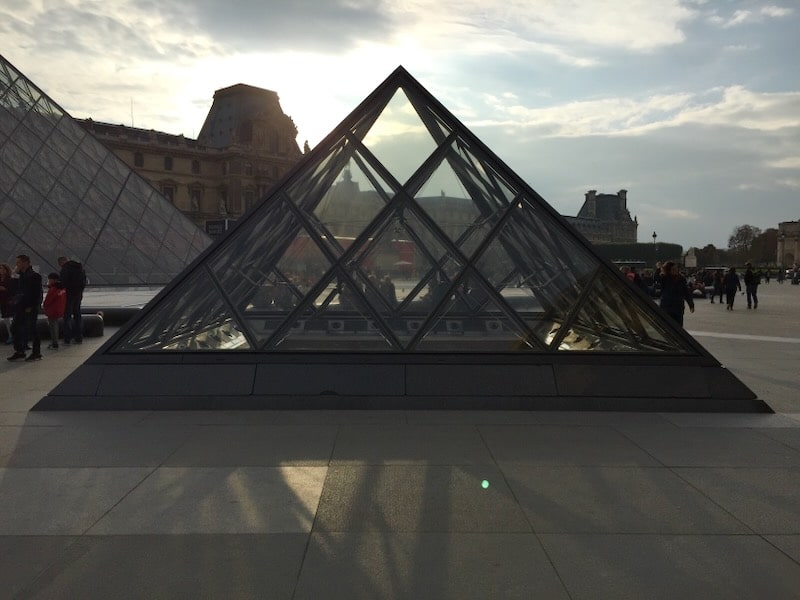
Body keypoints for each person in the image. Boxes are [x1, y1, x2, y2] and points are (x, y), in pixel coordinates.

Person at [7, 255, 43, 361]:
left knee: (32, 329)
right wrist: (14, 275)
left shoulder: (34, 276)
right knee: (14, 327)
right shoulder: (21, 276)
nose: (16, 264)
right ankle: (20, 350)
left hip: (30, 307)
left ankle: (36, 352)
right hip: (21, 306)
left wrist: (31, 306)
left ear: (25, 262)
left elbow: (36, 293)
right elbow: (16, 289)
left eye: (18, 262)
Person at [58, 255, 87, 344]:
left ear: (61, 262)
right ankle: (79, 336)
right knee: (77, 315)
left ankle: (67, 338)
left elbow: (63, 283)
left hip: (69, 295)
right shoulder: (80, 268)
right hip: (78, 294)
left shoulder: (65, 269)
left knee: (67, 316)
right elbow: (84, 281)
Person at [657, 261, 694, 327]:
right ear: (669, 270)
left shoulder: (681, 279)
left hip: (678, 307)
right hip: (666, 306)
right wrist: (659, 269)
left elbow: (686, 292)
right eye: (673, 269)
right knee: (667, 326)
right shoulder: (664, 278)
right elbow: (656, 278)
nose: (676, 270)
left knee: (678, 327)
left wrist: (691, 305)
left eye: (676, 268)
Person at [42, 273, 66, 349]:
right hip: (59, 309)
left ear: (53, 280)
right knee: (55, 325)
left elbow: (48, 300)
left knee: (53, 327)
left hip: (52, 310)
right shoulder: (62, 288)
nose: (48, 281)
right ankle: (55, 342)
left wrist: (44, 307)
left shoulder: (53, 289)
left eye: (49, 279)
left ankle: (54, 343)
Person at [0, 262, 16, 344]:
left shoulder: (9, 280)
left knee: (8, 319)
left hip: (7, 301)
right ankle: (11, 335)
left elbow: (13, 291)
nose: (1, 270)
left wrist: (5, 289)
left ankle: (12, 336)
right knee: (6, 320)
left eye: (2, 269)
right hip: (2, 301)